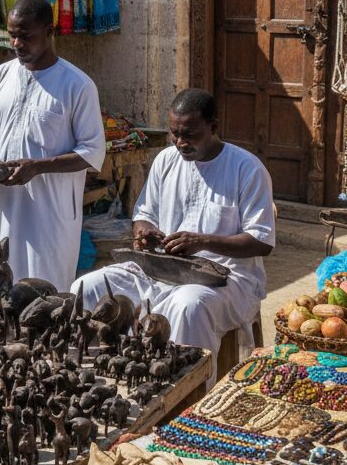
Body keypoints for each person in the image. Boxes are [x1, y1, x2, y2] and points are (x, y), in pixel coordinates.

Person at [71, 89, 275, 355]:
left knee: (188, 307)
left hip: (225, 278)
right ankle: (102, 366)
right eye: (174, 134)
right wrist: (145, 232)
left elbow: (261, 241)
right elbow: (144, 214)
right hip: (158, 269)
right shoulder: (166, 160)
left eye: (189, 134)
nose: (180, 142)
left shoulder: (247, 169)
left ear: (213, 127)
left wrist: (202, 241)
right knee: (86, 288)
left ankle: (187, 387)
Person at [0, 0, 105, 289]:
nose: (17, 44)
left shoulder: (77, 86)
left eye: (26, 36)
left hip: (48, 214)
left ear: (49, 32)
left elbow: (92, 151)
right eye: (13, 36)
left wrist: (37, 167)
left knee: (42, 295)